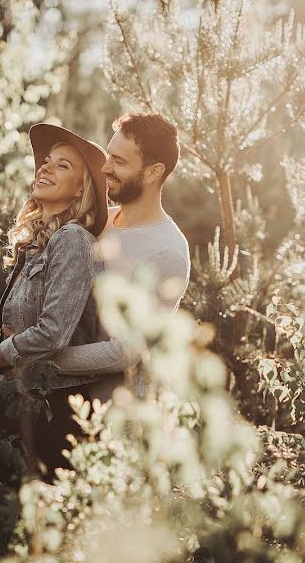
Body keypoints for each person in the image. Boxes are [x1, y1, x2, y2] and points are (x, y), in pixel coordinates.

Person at [0, 123, 109, 474]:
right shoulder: (37, 245)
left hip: (53, 414)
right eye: (47, 161)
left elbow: (52, 333)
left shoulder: (73, 240)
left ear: (80, 191)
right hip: (22, 403)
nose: (45, 167)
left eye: (63, 165)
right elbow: (20, 331)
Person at [38, 111, 191, 403]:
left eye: (119, 161)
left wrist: (36, 359)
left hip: (113, 417)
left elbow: (124, 350)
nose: (105, 168)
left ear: (153, 172)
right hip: (57, 399)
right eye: (109, 156)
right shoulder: (93, 223)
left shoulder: (167, 252)